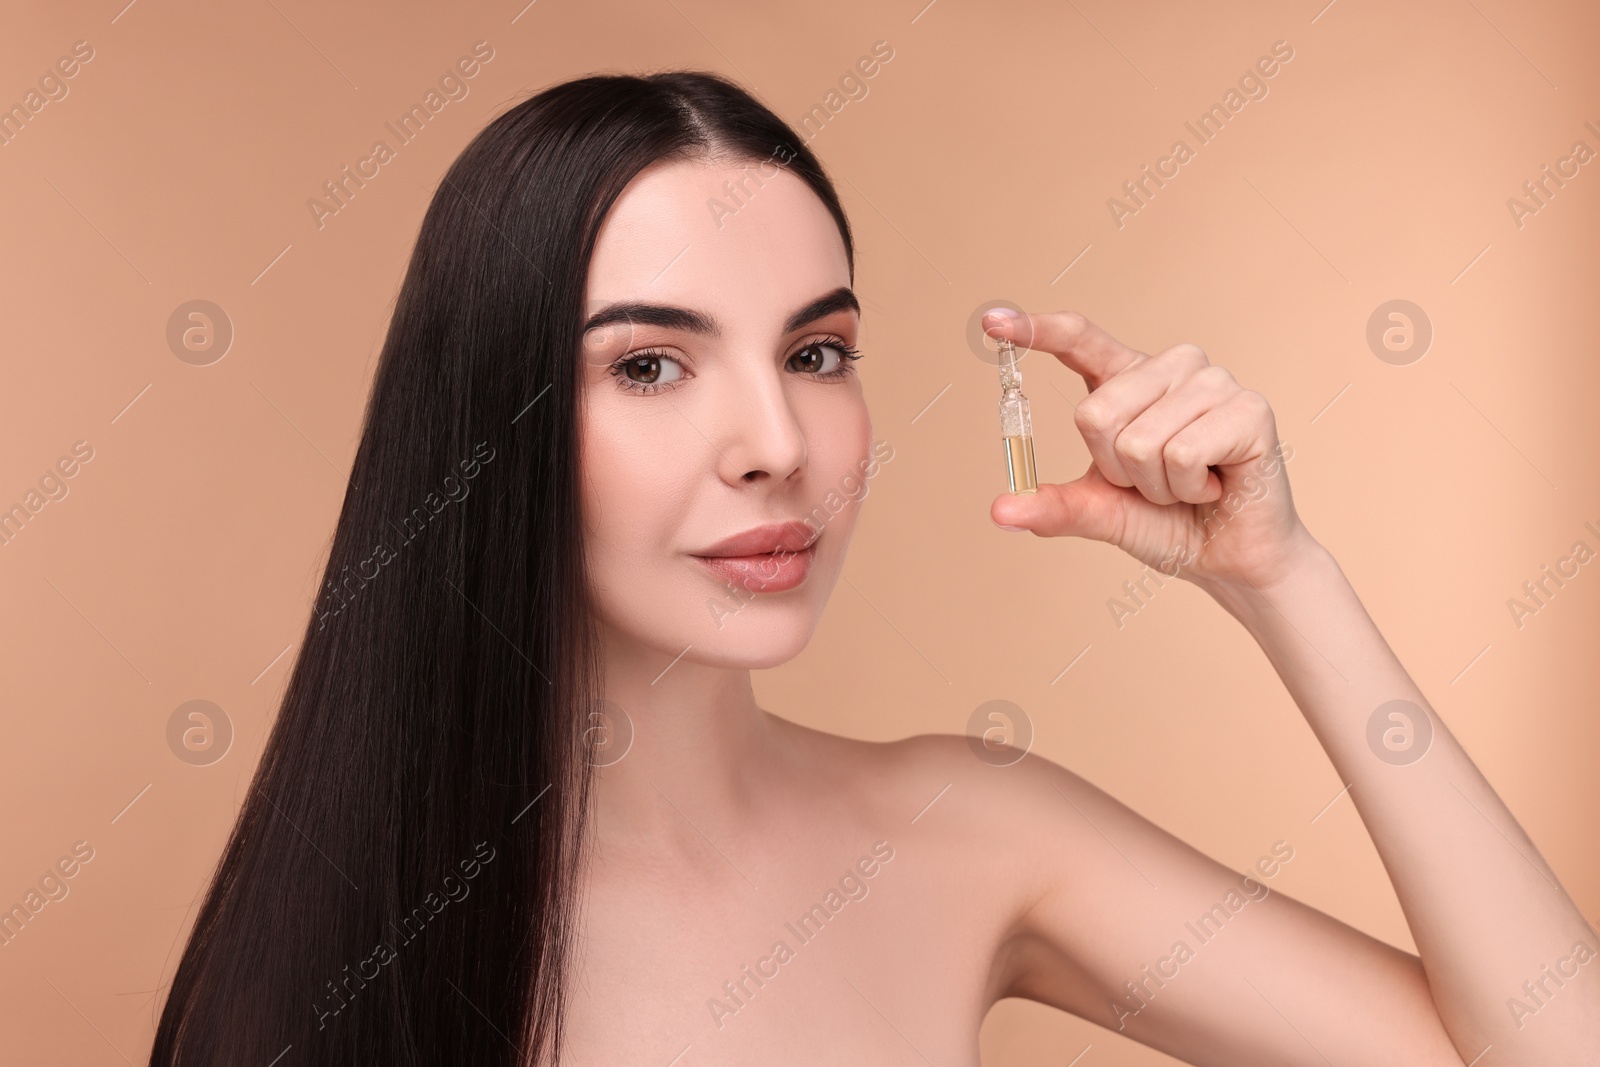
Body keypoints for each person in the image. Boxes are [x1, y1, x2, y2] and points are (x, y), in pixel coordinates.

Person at [149, 70, 1597, 1067]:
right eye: (651, 365)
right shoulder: (351, 918)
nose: (774, 440)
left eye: (817, 353)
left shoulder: (972, 831)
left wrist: (1282, 580)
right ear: (487, 418)